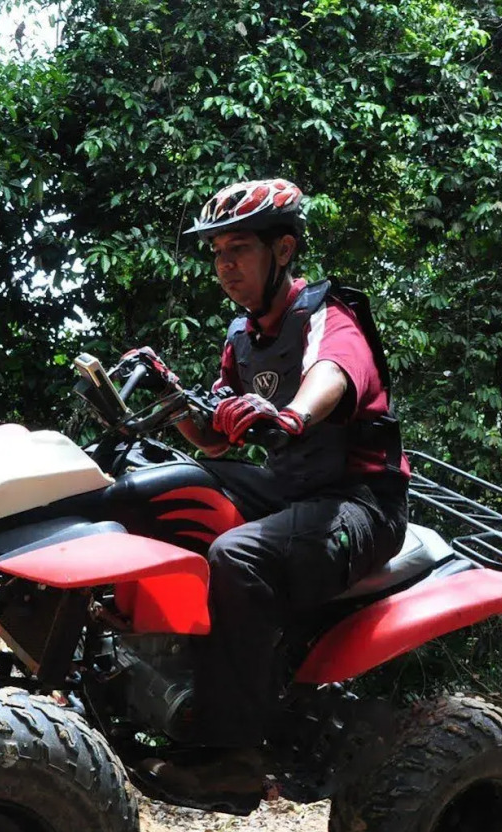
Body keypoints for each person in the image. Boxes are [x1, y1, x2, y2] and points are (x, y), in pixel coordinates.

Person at [147, 178, 410, 799]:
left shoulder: (326, 315)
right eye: (215, 253)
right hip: (291, 492)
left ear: (283, 249)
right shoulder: (241, 338)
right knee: (165, 489)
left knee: (236, 555)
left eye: (237, 248)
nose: (224, 265)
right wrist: (167, 390)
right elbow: (213, 440)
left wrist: (291, 414)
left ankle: (234, 752)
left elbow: (332, 375)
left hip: (361, 503)